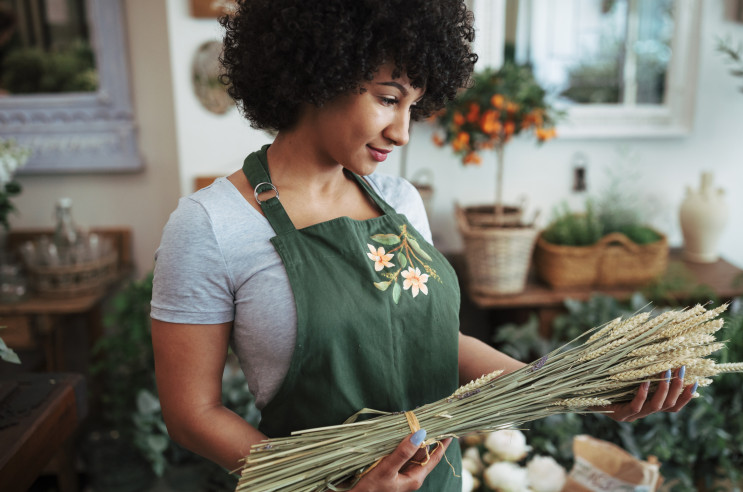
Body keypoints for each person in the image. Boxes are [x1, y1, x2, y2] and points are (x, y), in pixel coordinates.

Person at [150, 1, 697, 490]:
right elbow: (192, 412)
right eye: (389, 99)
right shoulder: (211, 225)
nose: (402, 132)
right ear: (320, 74)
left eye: (413, 105)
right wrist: (319, 487)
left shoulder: (399, 200)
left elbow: (433, 339)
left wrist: (570, 386)